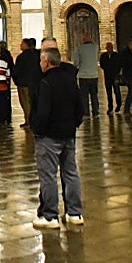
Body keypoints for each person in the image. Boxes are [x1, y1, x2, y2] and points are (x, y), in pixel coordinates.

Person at [31, 45, 84, 229]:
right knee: (71, 174)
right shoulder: (70, 80)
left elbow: (42, 112)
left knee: (48, 177)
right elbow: (80, 109)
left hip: (49, 137)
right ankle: (75, 212)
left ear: (46, 62)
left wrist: (37, 129)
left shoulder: (45, 83)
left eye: (41, 60)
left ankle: (50, 215)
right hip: (69, 134)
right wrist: (72, 125)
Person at [74, 34, 100, 118]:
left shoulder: (79, 48)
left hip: (83, 75)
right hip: (94, 75)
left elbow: (76, 63)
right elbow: (96, 45)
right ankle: (95, 112)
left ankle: (86, 112)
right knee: (94, 95)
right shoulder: (95, 47)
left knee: (84, 95)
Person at [14, 39, 39, 128]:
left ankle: (28, 120)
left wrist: (16, 80)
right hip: (36, 82)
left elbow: (17, 70)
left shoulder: (21, 57)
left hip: (23, 83)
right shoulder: (38, 54)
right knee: (34, 101)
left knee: (25, 102)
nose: (20, 45)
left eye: (22, 44)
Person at [99, 42, 122, 114]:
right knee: (109, 93)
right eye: (107, 47)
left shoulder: (116, 55)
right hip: (107, 77)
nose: (109, 49)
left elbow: (119, 64)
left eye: (110, 47)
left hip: (115, 76)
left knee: (117, 92)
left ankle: (118, 105)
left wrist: (117, 72)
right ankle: (110, 107)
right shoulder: (103, 56)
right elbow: (102, 64)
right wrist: (107, 68)